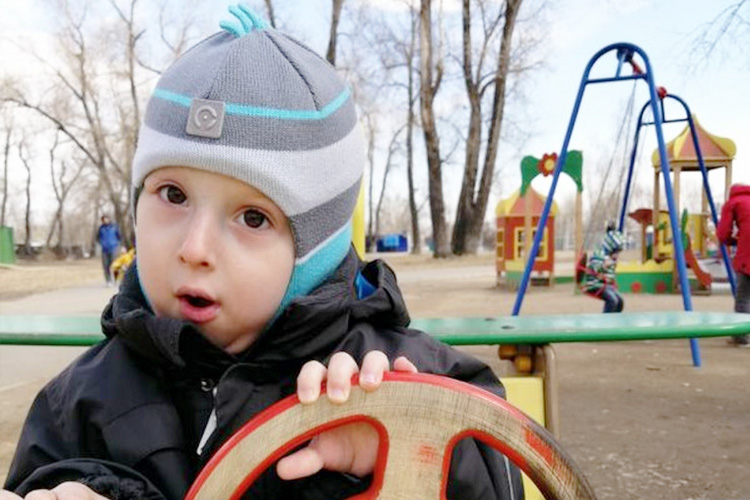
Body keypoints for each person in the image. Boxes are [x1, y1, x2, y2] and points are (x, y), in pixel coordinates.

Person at [2, 6, 524, 500]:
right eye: (173, 195)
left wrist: (409, 445)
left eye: (253, 217)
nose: (194, 248)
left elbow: (505, 473)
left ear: (313, 250)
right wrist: (80, 486)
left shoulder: (399, 373)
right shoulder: (75, 403)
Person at [717, 183, 750, 347]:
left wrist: (731, 241)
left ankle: (741, 336)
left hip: (747, 255)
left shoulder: (733, 203)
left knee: (744, 297)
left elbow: (723, 232)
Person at [581, 227, 625, 313]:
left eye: (618, 253)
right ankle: (604, 320)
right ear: (609, 249)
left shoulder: (611, 258)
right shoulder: (599, 254)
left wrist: (611, 277)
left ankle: (615, 319)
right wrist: (603, 266)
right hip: (595, 284)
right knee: (612, 300)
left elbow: (609, 274)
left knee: (620, 301)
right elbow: (593, 268)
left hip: (606, 285)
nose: (616, 256)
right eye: (615, 252)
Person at [96, 215, 122, 285]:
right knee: (106, 266)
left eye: (106, 219)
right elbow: (97, 238)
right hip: (104, 250)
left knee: (115, 265)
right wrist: (102, 244)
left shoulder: (114, 227)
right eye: (103, 219)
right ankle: (108, 280)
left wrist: (118, 245)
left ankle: (116, 279)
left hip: (113, 248)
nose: (105, 220)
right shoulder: (101, 228)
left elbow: (119, 237)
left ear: (109, 219)